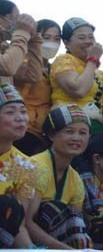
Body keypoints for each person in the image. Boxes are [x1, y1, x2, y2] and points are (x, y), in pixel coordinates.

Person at [26, 104, 92, 249]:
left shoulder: (76, 180)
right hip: (26, 242)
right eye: (69, 131)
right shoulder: (36, 166)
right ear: (51, 135)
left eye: (83, 133)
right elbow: (26, 222)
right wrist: (68, 251)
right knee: (53, 209)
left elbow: (75, 225)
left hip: (57, 245)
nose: (77, 138)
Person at [50, 18, 103, 134]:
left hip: (96, 127)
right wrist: (93, 60)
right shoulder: (64, 60)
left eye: (91, 37)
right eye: (82, 38)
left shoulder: (97, 72)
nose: (88, 41)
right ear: (66, 43)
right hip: (71, 125)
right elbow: (78, 90)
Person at [14, 19, 60, 155]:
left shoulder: (57, 68)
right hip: (25, 130)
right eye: (46, 37)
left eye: (57, 39)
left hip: (45, 133)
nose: (52, 43)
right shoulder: (23, 63)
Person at [0, 84, 36, 248]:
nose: (20, 117)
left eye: (23, 111)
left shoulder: (27, 166)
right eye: (10, 112)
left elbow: (17, 225)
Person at [0, 0, 41, 87]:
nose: (17, 24)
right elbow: (8, 67)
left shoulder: (4, 49)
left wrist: (33, 41)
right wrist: (22, 32)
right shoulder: (7, 57)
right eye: (14, 19)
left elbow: (33, 76)